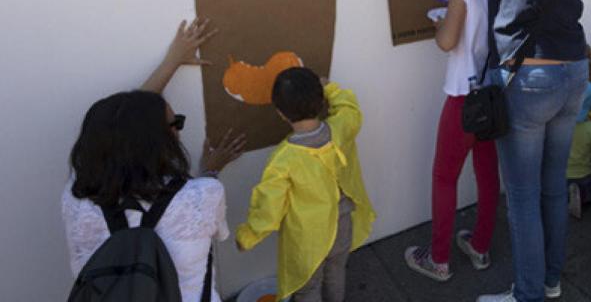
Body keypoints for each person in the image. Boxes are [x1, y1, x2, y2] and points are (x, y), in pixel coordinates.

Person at [385, 0, 589, 302]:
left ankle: (527, 293)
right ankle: (551, 282)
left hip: (532, 77)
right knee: (552, 186)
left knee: (521, 196)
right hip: (574, 72)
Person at [62, 20, 246, 302]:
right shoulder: (205, 193)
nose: (179, 128)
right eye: (177, 123)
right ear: (158, 140)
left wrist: (170, 63)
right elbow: (216, 230)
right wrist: (210, 170)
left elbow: (122, 124)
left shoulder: (76, 200)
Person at [236, 67, 375, 302]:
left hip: (307, 239)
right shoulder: (341, 128)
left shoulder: (283, 160)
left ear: (280, 113)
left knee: (307, 288)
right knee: (335, 272)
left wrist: (248, 236)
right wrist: (330, 87)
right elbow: (351, 109)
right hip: (343, 226)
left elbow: (269, 209)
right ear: (321, 101)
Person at [405, 0, 500, 281]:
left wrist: (439, 25)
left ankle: (438, 259)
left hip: (463, 97)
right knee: (487, 175)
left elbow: (447, 42)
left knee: (444, 177)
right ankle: (480, 247)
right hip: (492, 96)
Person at [567, 83, 591, 220]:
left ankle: (570, 196)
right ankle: (584, 197)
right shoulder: (590, 128)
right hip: (584, 175)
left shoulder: (557, 128)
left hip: (561, 176)